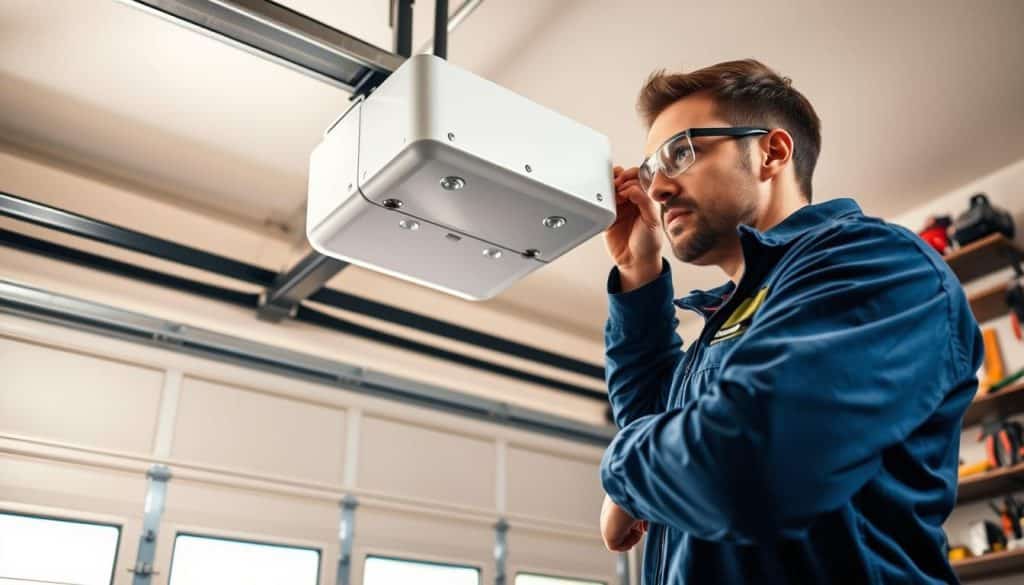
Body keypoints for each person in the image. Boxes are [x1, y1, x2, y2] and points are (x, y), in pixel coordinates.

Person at [597, 59, 983, 584]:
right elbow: (650, 420)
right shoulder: (728, 320)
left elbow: (748, 461)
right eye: (648, 171)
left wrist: (622, 475)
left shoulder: (873, 262)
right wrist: (637, 272)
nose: (657, 188)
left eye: (680, 153)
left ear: (772, 152)